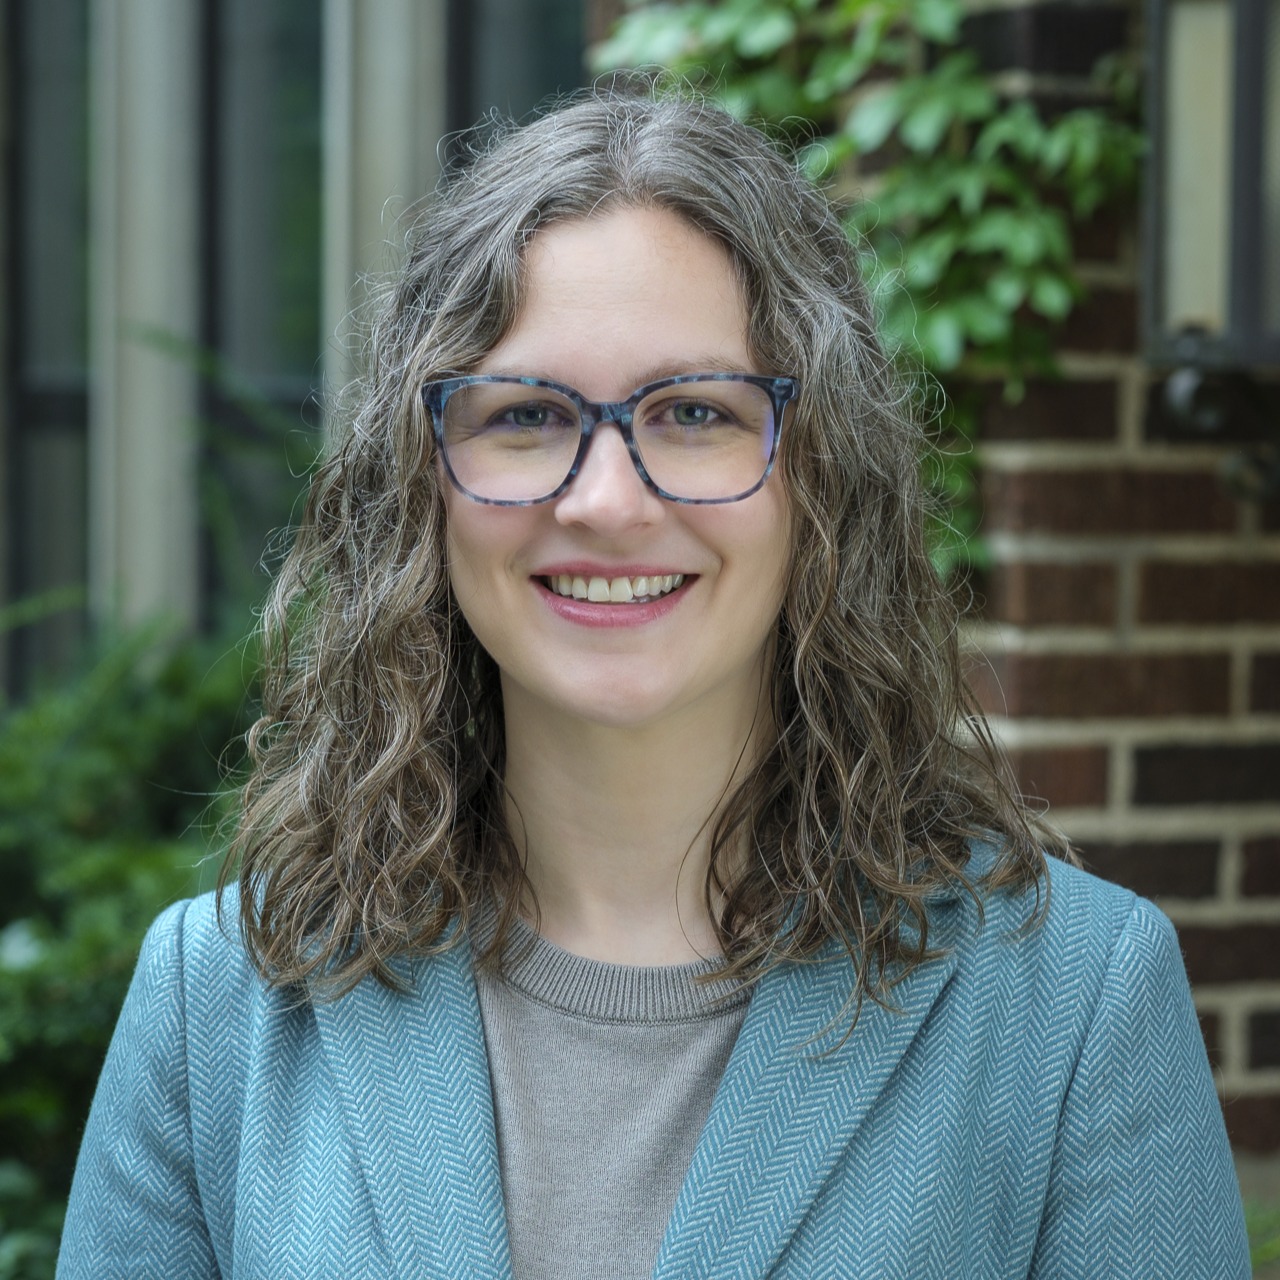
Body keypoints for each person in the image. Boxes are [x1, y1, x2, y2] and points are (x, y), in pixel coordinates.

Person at [58, 86, 1248, 1279]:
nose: (607, 501)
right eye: (525, 413)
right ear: (422, 484)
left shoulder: (1073, 1008)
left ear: (818, 475)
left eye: (692, 412)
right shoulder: (220, 1002)